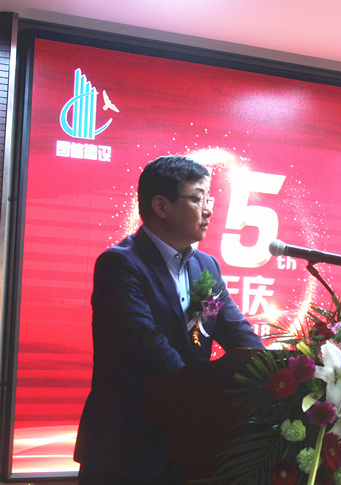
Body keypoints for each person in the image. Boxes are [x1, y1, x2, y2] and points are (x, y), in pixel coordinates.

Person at [74, 155, 265, 484]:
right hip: (125, 450)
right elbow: (147, 345)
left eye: (209, 199)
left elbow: (237, 333)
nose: (208, 210)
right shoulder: (121, 264)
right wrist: (209, 397)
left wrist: (275, 376)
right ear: (161, 206)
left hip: (188, 447)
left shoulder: (205, 267)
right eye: (197, 198)